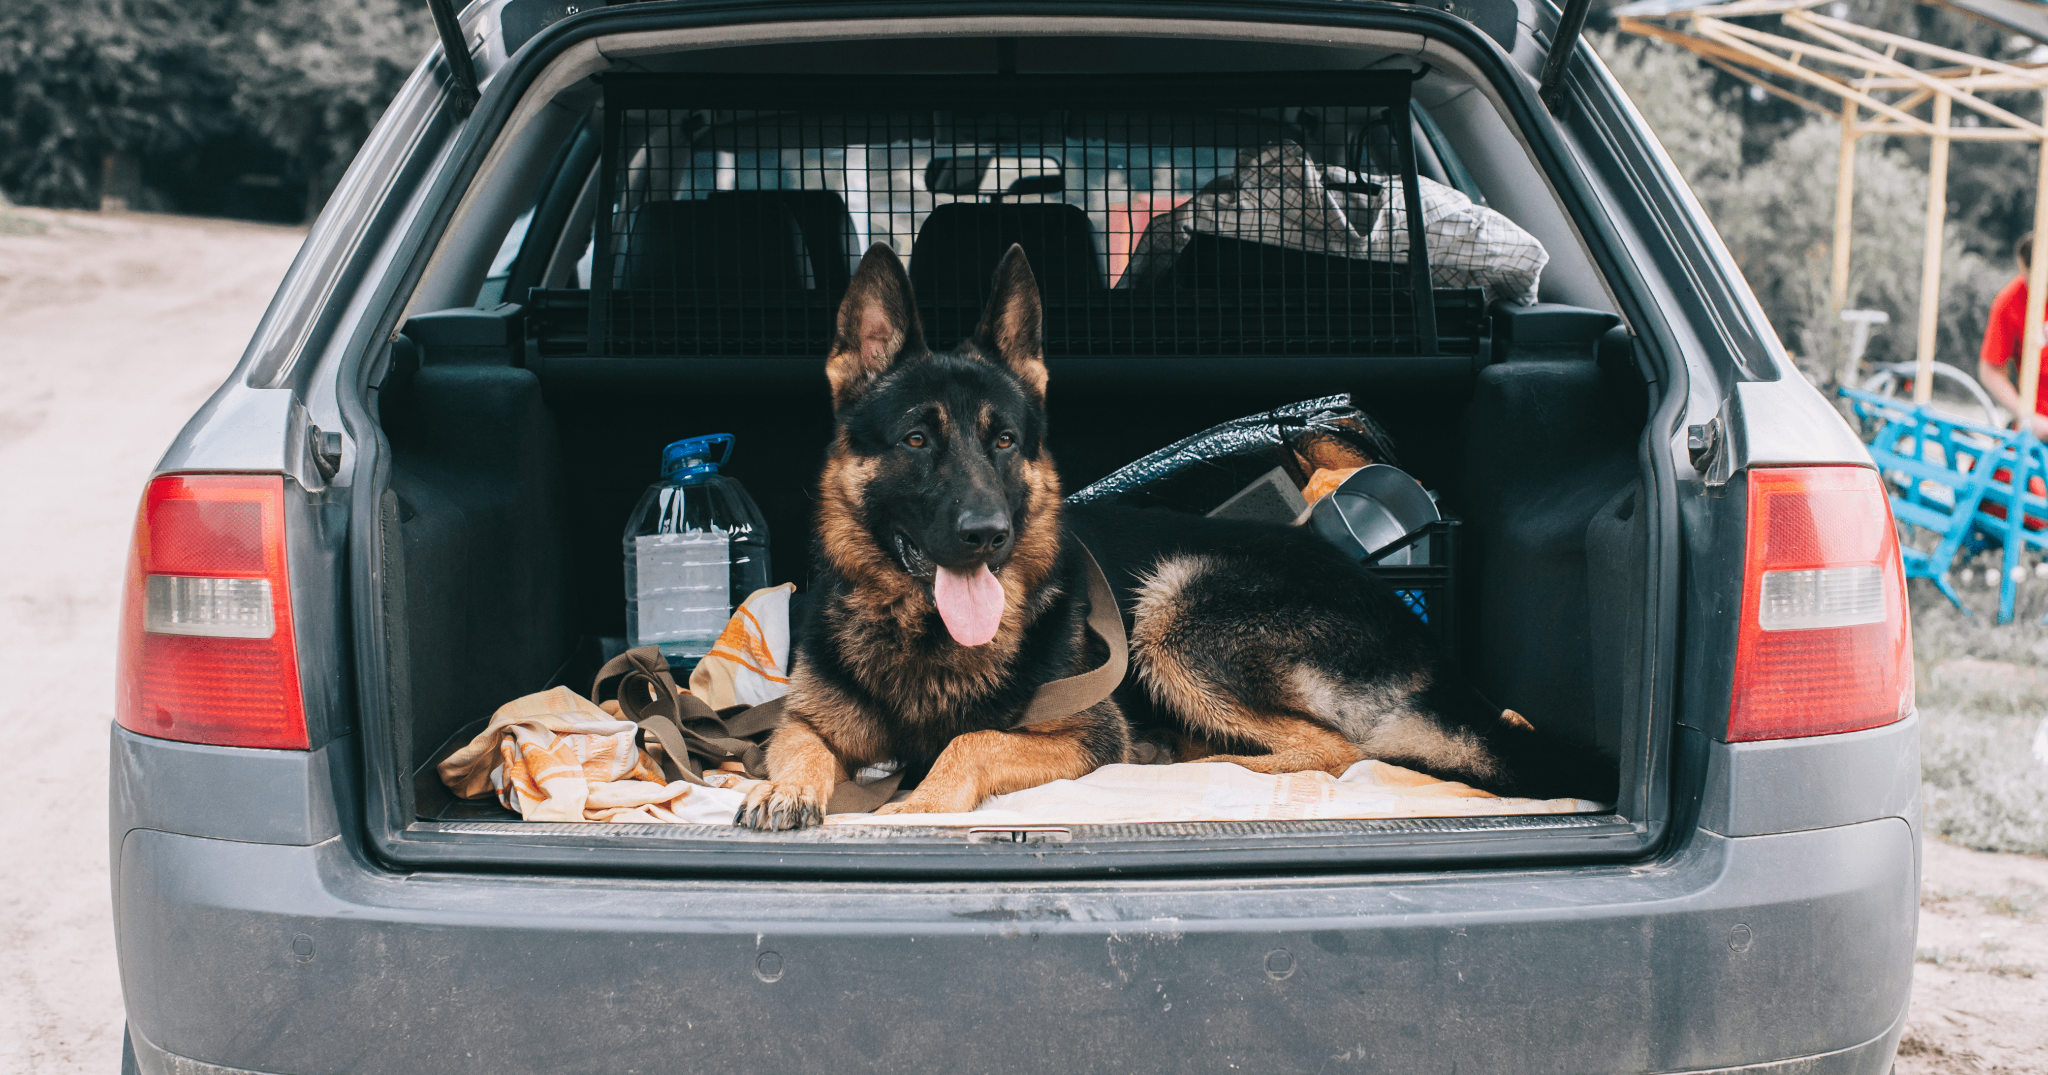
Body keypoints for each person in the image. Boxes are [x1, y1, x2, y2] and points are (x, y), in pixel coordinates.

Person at [1979, 232, 2048, 437]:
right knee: (1999, 467)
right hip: (2039, 422)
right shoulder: (2011, 301)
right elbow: (1990, 370)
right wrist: (2028, 416)